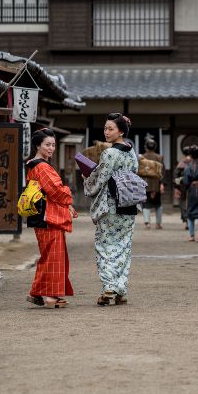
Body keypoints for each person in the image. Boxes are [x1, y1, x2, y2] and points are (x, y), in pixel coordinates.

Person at [83, 113, 138, 306]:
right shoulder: (131, 152)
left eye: (111, 129)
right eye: (105, 128)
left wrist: (87, 179)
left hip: (111, 205)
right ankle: (121, 289)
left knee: (105, 246)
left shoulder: (109, 153)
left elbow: (100, 178)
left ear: (121, 131)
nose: (106, 132)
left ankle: (109, 288)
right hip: (129, 203)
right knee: (124, 246)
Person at [25, 128, 77, 308]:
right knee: (53, 256)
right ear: (38, 145)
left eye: (53, 145)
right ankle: (51, 296)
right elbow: (55, 191)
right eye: (47, 144)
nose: (51, 148)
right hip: (48, 217)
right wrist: (68, 195)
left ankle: (37, 292)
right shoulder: (42, 166)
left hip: (41, 215)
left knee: (49, 255)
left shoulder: (34, 164)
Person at [140, 139, 165, 229]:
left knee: (146, 204)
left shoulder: (142, 157)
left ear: (146, 147)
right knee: (158, 204)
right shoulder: (159, 157)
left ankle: (147, 223)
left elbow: (138, 171)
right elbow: (162, 172)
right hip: (156, 183)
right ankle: (158, 223)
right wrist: (162, 184)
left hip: (145, 183)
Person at [173, 146, 192, 230]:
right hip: (193, 187)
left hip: (182, 186)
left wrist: (177, 187)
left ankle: (186, 221)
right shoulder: (194, 163)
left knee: (183, 203)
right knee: (191, 203)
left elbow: (176, 175)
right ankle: (190, 221)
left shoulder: (181, 163)